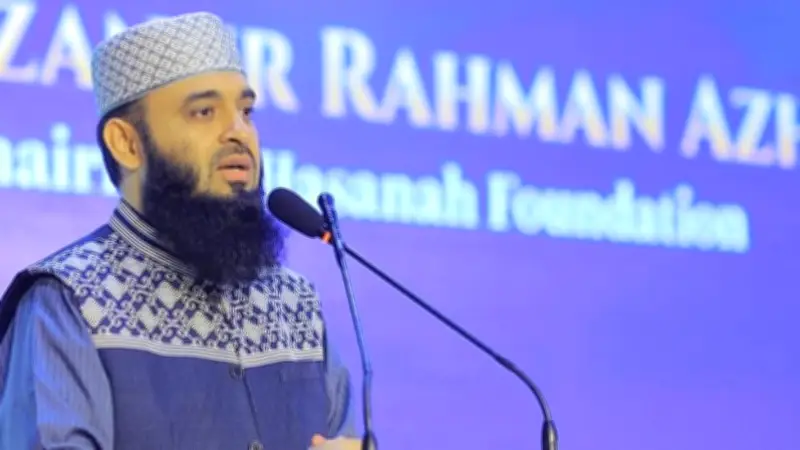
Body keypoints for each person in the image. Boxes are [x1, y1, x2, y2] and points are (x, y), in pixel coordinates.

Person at [0, 11, 363, 450]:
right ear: (127, 143)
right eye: (204, 112)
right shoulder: (68, 300)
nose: (239, 133)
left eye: (246, 111)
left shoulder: (295, 303)